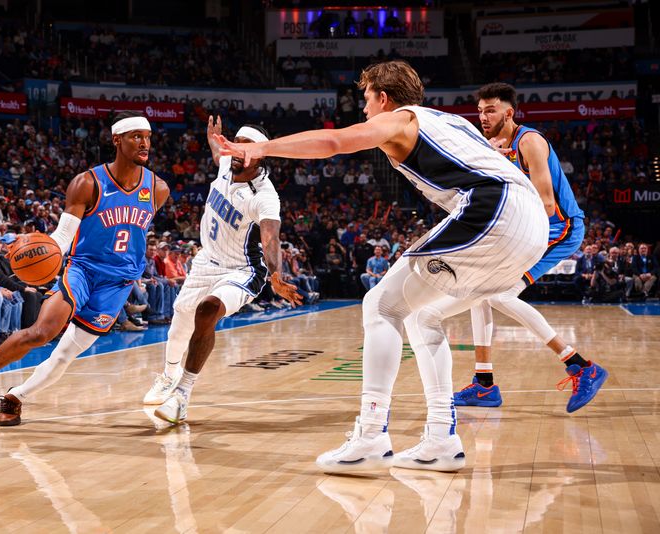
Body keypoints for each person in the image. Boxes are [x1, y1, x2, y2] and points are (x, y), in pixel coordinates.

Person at [217, 60, 549, 473]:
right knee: (422, 314)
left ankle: (372, 434)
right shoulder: (450, 121)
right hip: (532, 227)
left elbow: (335, 142)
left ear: (384, 98)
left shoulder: (400, 120)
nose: (364, 110)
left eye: (366, 99)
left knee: (381, 305)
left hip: (496, 211)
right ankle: (441, 439)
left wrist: (262, 147)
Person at [0, 111, 170, 427]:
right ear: (117, 140)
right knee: (42, 332)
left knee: (66, 355)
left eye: (148, 136)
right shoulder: (87, 183)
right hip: (84, 270)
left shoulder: (158, 188)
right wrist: (41, 249)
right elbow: (63, 236)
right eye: (136, 136)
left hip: (119, 282)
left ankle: (16, 397)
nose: (144, 143)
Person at [454, 83, 608, 412]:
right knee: (478, 289)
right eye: (480, 110)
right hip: (530, 227)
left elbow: (548, 205)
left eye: (490, 109)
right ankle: (483, 384)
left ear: (509, 113)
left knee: (498, 295)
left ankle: (582, 366)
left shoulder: (530, 141)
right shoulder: (494, 146)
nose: (483, 116)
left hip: (559, 228)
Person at [146, 117, 301, 423]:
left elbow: (271, 236)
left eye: (245, 147)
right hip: (206, 261)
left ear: (260, 155)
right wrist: (213, 139)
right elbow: (218, 154)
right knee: (179, 321)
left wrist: (275, 274)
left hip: (242, 269)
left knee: (206, 311)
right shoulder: (227, 163)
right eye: (235, 144)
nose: (236, 150)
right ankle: (168, 376)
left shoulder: (264, 196)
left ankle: (182, 395)